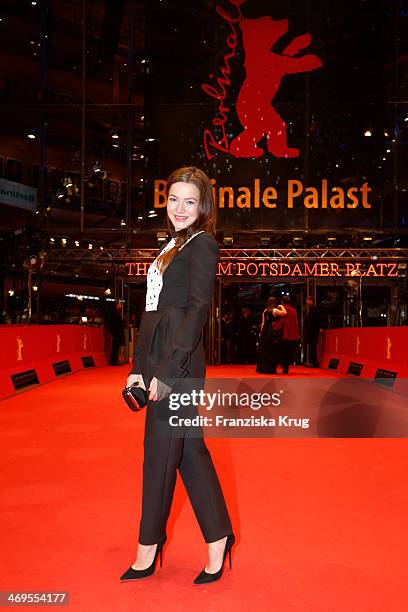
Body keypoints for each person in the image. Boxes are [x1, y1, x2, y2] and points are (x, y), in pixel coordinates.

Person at [120, 166, 235, 585]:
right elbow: (150, 312)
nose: (180, 208)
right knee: (187, 454)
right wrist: (137, 368)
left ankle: (146, 549)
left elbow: (197, 311)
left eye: (190, 201)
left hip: (180, 360)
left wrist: (169, 371)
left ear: (203, 206)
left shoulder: (202, 245)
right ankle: (220, 538)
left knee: (159, 454)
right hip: (156, 351)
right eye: (173, 200)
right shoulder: (170, 246)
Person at [256, 296, 286, 374]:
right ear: (274, 302)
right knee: (272, 351)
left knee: (264, 351)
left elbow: (263, 322)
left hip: (265, 332)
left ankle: (262, 368)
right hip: (272, 333)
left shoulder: (265, 311)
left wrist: (261, 332)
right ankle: (270, 369)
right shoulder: (275, 310)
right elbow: (284, 313)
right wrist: (281, 306)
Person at [280, 295, 300, 374]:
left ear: (283, 301)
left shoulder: (281, 309)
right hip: (292, 333)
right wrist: (297, 333)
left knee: (283, 350)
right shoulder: (294, 310)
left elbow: (280, 321)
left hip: (283, 333)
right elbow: (296, 323)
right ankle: (286, 366)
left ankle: (284, 365)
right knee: (289, 351)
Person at [304, 296, 321, 367]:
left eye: (307, 300)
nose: (306, 301)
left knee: (312, 347)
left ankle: (314, 362)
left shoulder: (313, 309)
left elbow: (314, 321)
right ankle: (313, 362)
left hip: (312, 331)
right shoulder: (312, 309)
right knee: (311, 347)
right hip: (312, 331)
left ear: (311, 301)